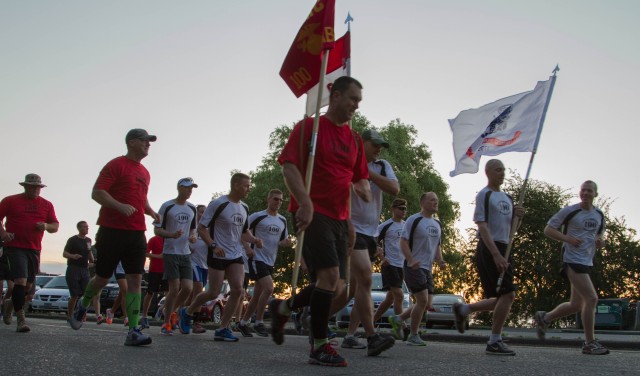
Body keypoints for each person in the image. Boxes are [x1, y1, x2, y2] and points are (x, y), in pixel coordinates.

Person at [271, 76, 377, 367]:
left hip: (341, 219)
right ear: (337, 94)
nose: (356, 105)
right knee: (329, 278)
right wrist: (304, 202)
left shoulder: (354, 139)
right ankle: (319, 345)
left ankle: (284, 307)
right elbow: (289, 167)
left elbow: (353, 181)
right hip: (312, 212)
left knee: (338, 287)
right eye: (353, 99)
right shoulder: (309, 127)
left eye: (359, 101)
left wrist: (351, 222)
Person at [69, 128, 159, 347]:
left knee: (136, 279)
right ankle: (84, 304)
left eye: (150, 141)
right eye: (145, 140)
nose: (148, 144)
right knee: (101, 277)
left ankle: (133, 330)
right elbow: (97, 192)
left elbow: (141, 198)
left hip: (137, 232)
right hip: (111, 229)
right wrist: (119, 206)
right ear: (131, 142)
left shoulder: (145, 172)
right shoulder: (115, 165)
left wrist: (150, 211)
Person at [178, 173, 263, 342]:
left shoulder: (244, 207)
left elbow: (244, 231)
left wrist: (254, 240)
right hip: (218, 253)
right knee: (213, 292)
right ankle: (186, 312)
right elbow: (202, 228)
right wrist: (213, 245)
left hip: (235, 254)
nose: (249, 188)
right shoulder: (219, 204)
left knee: (238, 290)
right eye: (246, 185)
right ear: (236, 185)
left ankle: (223, 329)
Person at [452, 159, 524, 355]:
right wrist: (495, 255)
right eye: (498, 169)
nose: (502, 173)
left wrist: (518, 218)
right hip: (490, 247)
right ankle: (494, 340)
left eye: (504, 169)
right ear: (488, 172)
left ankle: (464, 310)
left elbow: (512, 231)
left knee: (500, 297)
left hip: (505, 246)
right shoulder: (485, 195)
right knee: (508, 294)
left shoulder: (508, 198)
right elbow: (482, 226)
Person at [534, 180, 609, 355]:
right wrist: (568, 239)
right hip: (571, 259)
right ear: (579, 192)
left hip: (586, 261)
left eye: (589, 191)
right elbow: (548, 230)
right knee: (591, 299)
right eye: (583, 190)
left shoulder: (599, 214)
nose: (585, 193)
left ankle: (544, 318)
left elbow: (600, 235)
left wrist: (601, 242)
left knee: (576, 305)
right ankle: (589, 343)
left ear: (595, 194)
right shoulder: (570, 211)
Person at [340, 129, 399, 351]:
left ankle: (344, 332)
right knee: (364, 280)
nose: (379, 148)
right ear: (362, 143)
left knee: (355, 288)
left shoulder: (382, 166)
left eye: (381, 145)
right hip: (351, 230)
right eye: (375, 144)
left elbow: (394, 189)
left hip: (371, 233)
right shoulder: (347, 162)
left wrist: (367, 172)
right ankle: (372, 337)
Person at [0, 173, 59, 332]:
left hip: (34, 249)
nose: (35, 190)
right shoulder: (10, 200)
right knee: (20, 280)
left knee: (28, 286)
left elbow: (55, 226)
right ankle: (21, 319)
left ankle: (10, 304)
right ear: (25, 186)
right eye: (31, 186)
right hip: (15, 246)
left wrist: (45, 226)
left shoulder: (46, 205)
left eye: (37, 187)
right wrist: (3, 234)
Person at [388, 192, 446, 346]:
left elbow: (437, 245)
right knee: (422, 300)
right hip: (413, 266)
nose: (436, 202)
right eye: (432, 199)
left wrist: (440, 260)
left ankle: (398, 318)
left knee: (427, 304)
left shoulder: (437, 224)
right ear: (423, 202)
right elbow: (403, 242)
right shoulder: (414, 220)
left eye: (437, 200)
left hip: (428, 268)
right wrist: (410, 259)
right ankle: (413, 335)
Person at [237, 189, 292, 337]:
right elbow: (241, 232)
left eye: (280, 200)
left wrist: (286, 243)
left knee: (258, 295)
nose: (278, 202)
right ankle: (259, 322)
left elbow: (281, 241)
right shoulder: (257, 216)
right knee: (269, 288)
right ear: (268, 199)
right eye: (275, 199)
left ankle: (243, 323)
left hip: (270, 259)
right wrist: (248, 247)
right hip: (256, 257)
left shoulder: (282, 220)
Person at [155, 177, 198, 335]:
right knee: (174, 288)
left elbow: (193, 229)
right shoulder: (167, 206)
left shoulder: (192, 208)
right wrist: (171, 234)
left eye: (191, 188)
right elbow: (157, 230)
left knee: (187, 288)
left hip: (185, 252)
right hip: (170, 252)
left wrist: (193, 236)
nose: (190, 191)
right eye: (187, 188)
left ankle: (171, 312)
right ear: (179, 188)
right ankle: (166, 323)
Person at [372, 199, 408, 334]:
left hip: (401, 265)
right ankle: (401, 327)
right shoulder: (385, 226)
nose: (403, 211)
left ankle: (372, 320)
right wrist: (382, 257)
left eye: (405, 208)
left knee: (390, 298)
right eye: (400, 208)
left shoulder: (406, 226)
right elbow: (374, 241)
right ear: (393, 209)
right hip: (389, 264)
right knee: (399, 295)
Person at [63, 221, 101, 325]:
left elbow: (89, 252)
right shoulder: (72, 240)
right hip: (73, 268)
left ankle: (81, 313)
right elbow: (64, 253)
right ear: (79, 228)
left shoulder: (88, 240)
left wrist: (93, 261)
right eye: (85, 227)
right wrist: (73, 256)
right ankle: (70, 316)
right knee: (74, 295)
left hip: (84, 270)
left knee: (87, 293)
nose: (87, 228)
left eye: (88, 227)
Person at [188, 205, 208, 333]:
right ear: (196, 213)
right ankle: (196, 322)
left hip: (205, 265)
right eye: (201, 212)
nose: (203, 215)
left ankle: (179, 312)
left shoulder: (206, 229)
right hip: (193, 263)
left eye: (205, 213)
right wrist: (188, 246)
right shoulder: (192, 228)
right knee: (198, 291)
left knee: (192, 295)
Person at [141, 235, 165, 329]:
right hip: (154, 270)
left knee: (169, 293)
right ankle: (144, 317)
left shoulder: (169, 239)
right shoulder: (153, 239)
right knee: (150, 293)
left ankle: (163, 310)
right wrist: (157, 256)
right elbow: (145, 253)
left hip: (167, 270)